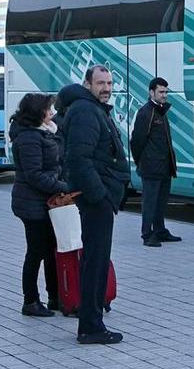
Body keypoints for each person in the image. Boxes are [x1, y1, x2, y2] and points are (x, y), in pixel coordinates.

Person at [64, 65, 130, 344]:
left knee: (98, 260)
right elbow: (79, 159)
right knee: (95, 261)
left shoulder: (92, 109)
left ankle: (92, 321)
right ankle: (90, 326)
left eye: (110, 83)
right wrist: (99, 195)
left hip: (100, 197)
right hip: (96, 200)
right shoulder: (84, 111)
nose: (106, 88)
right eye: (101, 83)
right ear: (87, 83)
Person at [9, 93, 68, 318]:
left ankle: (55, 296)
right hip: (32, 204)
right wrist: (62, 185)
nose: (52, 112)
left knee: (52, 249)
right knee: (36, 252)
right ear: (37, 113)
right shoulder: (29, 138)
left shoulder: (44, 133)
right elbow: (35, 175)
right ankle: (30, 300)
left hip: (44, 202)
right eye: (48, 109)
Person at [130, 77, 181, 247]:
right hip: (151, 167)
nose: (165, 95)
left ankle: (160, 230)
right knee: (150, 202)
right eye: (161, 92)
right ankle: (147, 234)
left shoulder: (160, 111)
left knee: (160, 201)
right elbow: (136, 141)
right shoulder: (146, 113)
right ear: (151, 92)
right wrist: (142, 162)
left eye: (166, 92)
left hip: (164, 166)